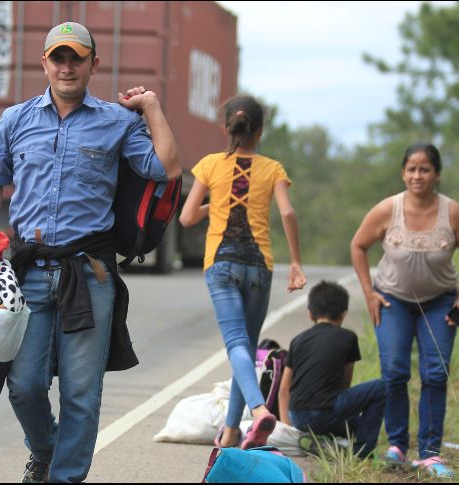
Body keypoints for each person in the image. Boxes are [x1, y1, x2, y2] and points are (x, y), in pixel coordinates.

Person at [0, 21, 181, 483]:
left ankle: (64, 477)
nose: (67, 67)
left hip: (89, 274)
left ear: (93, 64)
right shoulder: (16, 119)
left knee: (81, 392)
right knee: (24, 385)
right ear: (45, 63)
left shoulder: (117, 122)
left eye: (76, 58)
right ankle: (45, 450)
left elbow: (166, 167)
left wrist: (151, 107)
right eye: (58, 58)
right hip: (28, 274)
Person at [179, 94, 306, 450]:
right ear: (260, 131)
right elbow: (288, 213)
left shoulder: (210, 164)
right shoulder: (273, 168)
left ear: (226, 128)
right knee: (245, 348)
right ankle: (232, 431)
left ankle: (258, 408)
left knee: (236, 344)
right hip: (259, 265)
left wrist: (214, 204)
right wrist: (296, 262)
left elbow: (186, 217)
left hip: (221, 263)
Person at [350, 143, 457, 479]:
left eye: (424, 169)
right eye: (411, 169)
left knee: (435, 373)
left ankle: (430, 454)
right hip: (392, 300)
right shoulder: (388, 209)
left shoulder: (452, 212)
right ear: (403, 173)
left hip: (440, 301)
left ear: (436, 174)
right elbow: (358, 245)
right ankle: (396, 445)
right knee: (395, 371)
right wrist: (369, 293)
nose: (417, 175)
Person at [278, 280, 386, 458]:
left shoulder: (297, 340)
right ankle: (362, 452)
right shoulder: (348, 337)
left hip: (297, 416)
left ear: (310, 313)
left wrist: (288, 430)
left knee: (355, 424)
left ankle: (320, 440)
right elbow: (344, 384)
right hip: (325, 413)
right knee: (381, 387)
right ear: (343, 315)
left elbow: (284, 389)